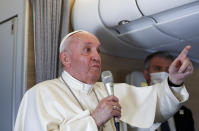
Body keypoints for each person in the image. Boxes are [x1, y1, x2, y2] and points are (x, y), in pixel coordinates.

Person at [14, 30, 193, 131]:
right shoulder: (39, 94)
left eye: (98, 51)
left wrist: (174, 81)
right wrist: (94, 120)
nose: (96, 57)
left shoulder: (111, 90)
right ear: (66, 59)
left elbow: (155, 105)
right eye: (87, 50)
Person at [127, 51, 195, 131]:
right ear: (146, 74)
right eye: (158, 68)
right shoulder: (134, 108)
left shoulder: (185, 113)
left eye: (168, 69)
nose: (163, 73)